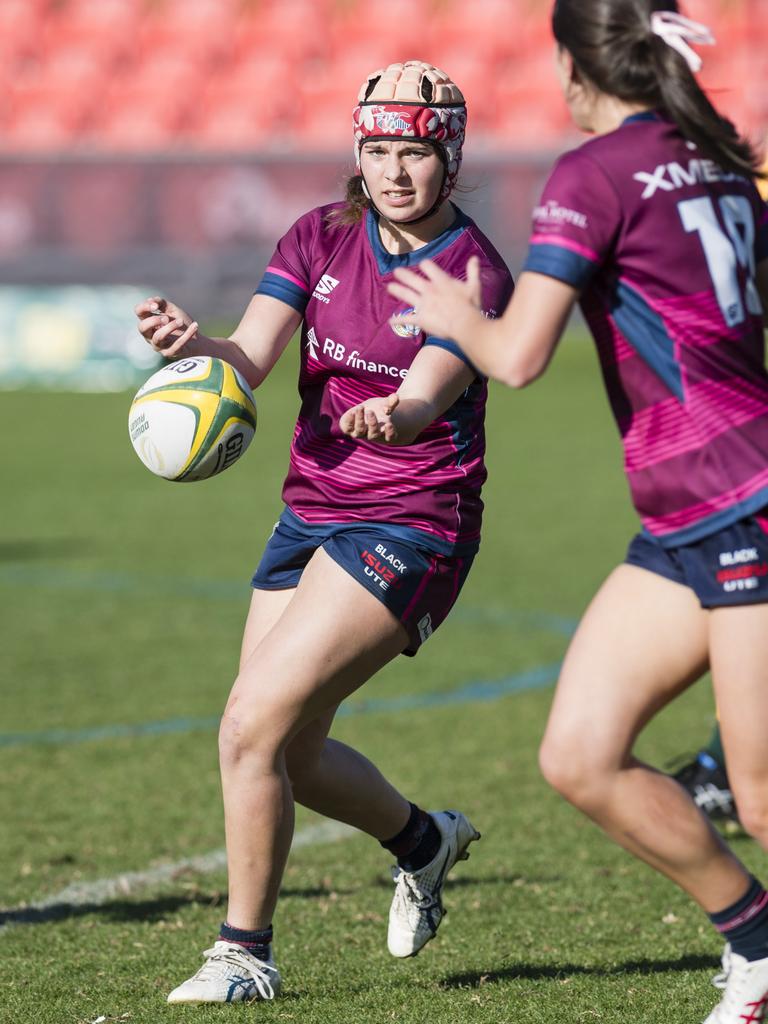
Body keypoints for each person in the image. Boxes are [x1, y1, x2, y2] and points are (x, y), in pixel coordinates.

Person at [386, 6, 768, 1023]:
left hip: (744, 503)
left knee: (763, 792)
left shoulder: (593, 173)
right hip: (692, 511)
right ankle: (761, 948)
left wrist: (455, 313)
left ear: (570, 62)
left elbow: (515, 358)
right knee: (581, 752)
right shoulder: (716, 156)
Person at [134, 60, 513, 1004]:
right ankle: (425, 843)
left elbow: (433, 388)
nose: (394, 171)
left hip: (414, 520)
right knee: (289, 750)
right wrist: (197, 347)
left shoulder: (473, 270)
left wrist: (401, 412)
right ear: (358, 152)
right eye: (378, 150)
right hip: (310, 508)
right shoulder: (320, 235)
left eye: (415, 153)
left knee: (247, 724)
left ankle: (244, 953)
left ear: (450, 159)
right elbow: (250, 357)